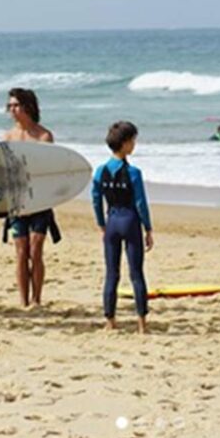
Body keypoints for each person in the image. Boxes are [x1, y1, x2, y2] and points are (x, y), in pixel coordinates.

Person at [91, 121, 154, 334]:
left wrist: (101, 223)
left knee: (112, 274)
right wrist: (148, 228)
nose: (134, 145)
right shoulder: (134, 172)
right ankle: (142, 323)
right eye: (133, 141)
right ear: (126, 143)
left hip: (112, 222)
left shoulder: (100, 171)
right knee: (136, 274)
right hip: (130, 221)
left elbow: (96, 200)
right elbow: (140, 203)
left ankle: (110, 320)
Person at [2, 88, 57, 309]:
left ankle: (37, 299)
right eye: (10, 106)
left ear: (28, 107)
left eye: (16, 105)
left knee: (36, 250)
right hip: (17, 203)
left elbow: (50, 170)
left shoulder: (44, 136)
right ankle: (24, 301)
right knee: (21, 251)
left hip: (40, 202)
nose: (12, 110)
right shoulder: (8, 137)